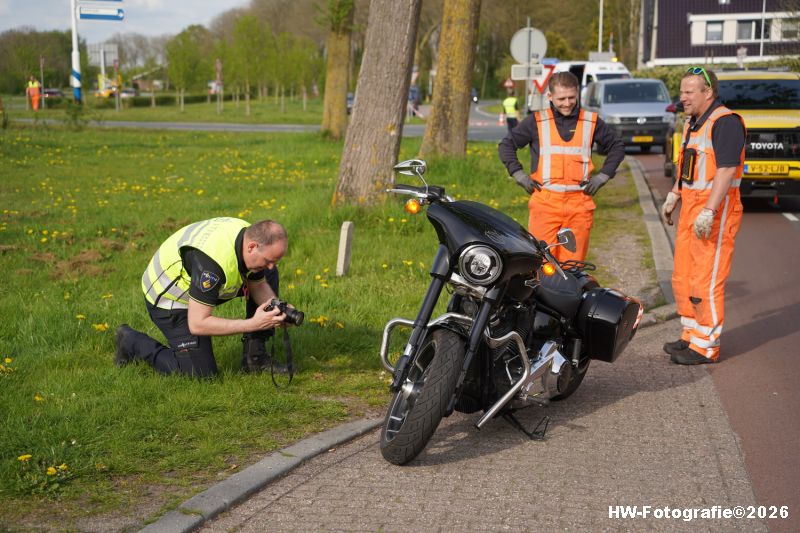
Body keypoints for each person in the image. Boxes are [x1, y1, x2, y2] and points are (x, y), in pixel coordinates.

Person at [115, 218, 291, 377]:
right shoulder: (211, 267)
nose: (271, 266)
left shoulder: (248, 235)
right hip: (168, 299)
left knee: (267, 275)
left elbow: (258, 285)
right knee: (200, 374)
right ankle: (131, 341)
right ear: (252, 247)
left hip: (198, 283)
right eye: (268, 260)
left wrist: (279, 308)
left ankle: (255, 359)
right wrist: (254, 324)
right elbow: (198, 323)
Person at [660, 67, 746, 365]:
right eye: (682, 91)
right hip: (691, 208)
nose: (682, 97)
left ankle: (706, 346)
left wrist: (709, 209)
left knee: (705, 279)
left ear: (707, 93)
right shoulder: (694, 123)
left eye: (688, 92)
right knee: (683, 275)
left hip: (715, 211)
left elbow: (726, 170)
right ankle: (691, 335)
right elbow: (687, 167)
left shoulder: (726, 123)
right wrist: (674, 194)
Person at [498, 71, 625, 262]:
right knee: (542, 264)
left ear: (577, 94)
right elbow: (506, 145)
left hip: (579, 205)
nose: (567, 103)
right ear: (550, 96)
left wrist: (603, 176)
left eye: (571, 97)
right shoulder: (536, 121)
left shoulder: (591, 121)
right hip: (545, 204)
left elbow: (617, 146)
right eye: (561, 98)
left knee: (572, 268)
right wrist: (519, 175)